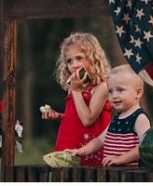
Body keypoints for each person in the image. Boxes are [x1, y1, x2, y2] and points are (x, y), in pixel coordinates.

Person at [41, 32, 111, 167]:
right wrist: (59, 115)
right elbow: (76, 116)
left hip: (88, 149)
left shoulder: (102, 87)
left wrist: (76, 90)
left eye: (79, 58)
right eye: (69, 61)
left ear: (93, 59)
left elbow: (88, 120)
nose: (74, 65)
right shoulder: (75, 87)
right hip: (68, 143)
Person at [72, 65, 151, 168]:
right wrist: (81, 151)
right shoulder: (117, 118)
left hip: (131, 176)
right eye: (110, 91)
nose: (114, 96)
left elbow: (145, 147)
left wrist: (120, 159)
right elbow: (100, 140)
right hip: (113, 174)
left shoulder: (139, 118)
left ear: (138, 92)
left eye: (120, 90)